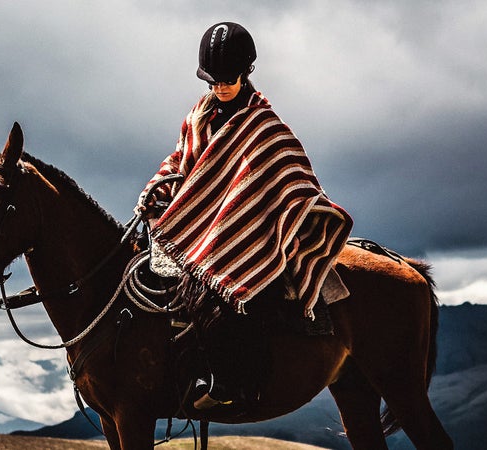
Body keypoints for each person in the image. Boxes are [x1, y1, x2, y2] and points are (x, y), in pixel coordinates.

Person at [136, 22, 353, 409]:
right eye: (213, 80)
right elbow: (183, 160)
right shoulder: (198, 115)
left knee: (214, 289)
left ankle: (234, 384)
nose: (220, 87)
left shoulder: (265, 127)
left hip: (252, 229)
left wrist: (250, 215)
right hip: (199, 222)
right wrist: (163, 184)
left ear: (246, 72)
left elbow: (292, 177)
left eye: (228, 79)